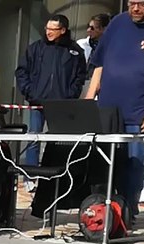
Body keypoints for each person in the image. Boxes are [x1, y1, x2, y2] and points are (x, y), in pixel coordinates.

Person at [84, 0, 144, 224]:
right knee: (103, 166)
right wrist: (90, 98)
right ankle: (101, 213)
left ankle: (126, 214)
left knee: (133, 168)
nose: (135, 8)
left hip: (140, 112)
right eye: (131, 3)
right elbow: (99, 64)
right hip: (107, 111)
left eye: (142, 4)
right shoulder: (118, 23)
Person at [15, 15, 89, 172]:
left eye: (52, 29)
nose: (48, 32)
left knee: (58, 140)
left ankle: (56, 172)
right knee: (34, 138)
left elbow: (80, 76)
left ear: (62, 30)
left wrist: (71, 94)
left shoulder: (75, 51)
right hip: (37, 102)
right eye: (47, 28)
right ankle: (31, 175)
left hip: (61, 104)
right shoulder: (35, 48)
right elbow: (22, 72)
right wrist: (30, 92)